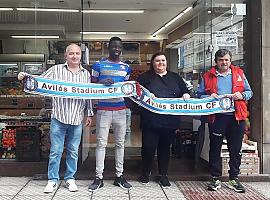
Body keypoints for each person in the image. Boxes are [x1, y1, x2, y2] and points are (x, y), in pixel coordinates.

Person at [18, 43, 93, 193]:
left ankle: (70, 179)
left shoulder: (86, 74)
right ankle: (52, 180)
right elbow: (39, 81)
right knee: (56, 151)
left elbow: (88, 95)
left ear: (81, 55)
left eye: (77, 53)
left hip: (76, 118)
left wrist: (89, 113)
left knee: (73, 151)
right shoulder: (56, 70)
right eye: (71, 53)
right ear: (66, 55)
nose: (74, 56)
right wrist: (25, 77)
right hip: (59, 117)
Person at [197, 49, 253, 193]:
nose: (224, 62)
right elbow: (199, 95)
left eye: (227, 60)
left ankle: (234, 178)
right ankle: (215, 178)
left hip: (237, 117)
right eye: (221, 60)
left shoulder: (239, 74)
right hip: (217, 117)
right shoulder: (207, 76)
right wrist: (210, 97)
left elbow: (249, 92)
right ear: (216, 62)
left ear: (230, 60)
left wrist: (241, 95)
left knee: (235, 149)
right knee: (215, 148)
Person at [137, 52, 190, 187]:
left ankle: (163, 175)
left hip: (169, 120)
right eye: (157, 61)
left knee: (165, 148)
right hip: (150, 120)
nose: (161, 63)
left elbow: (185, 91)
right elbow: (136, 95)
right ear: (152, 63)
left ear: (166, 62)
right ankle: (146, 172)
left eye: (163, 60)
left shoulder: (175, 77)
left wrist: (185, 95)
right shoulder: (144, 78)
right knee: (148, 147)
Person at [88, 36, 132, 191]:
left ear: (121, 48)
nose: (116, 49)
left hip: (121, 111)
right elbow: (91, 86)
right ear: (109, 47)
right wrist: (101, 83)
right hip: (104, 110)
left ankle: (119, 176)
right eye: (114, 46)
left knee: (120, 144)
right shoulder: (98, 65)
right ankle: (98, 177)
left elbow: (126, 88)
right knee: (101, 144)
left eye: (119, 47)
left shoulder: (126, 68)